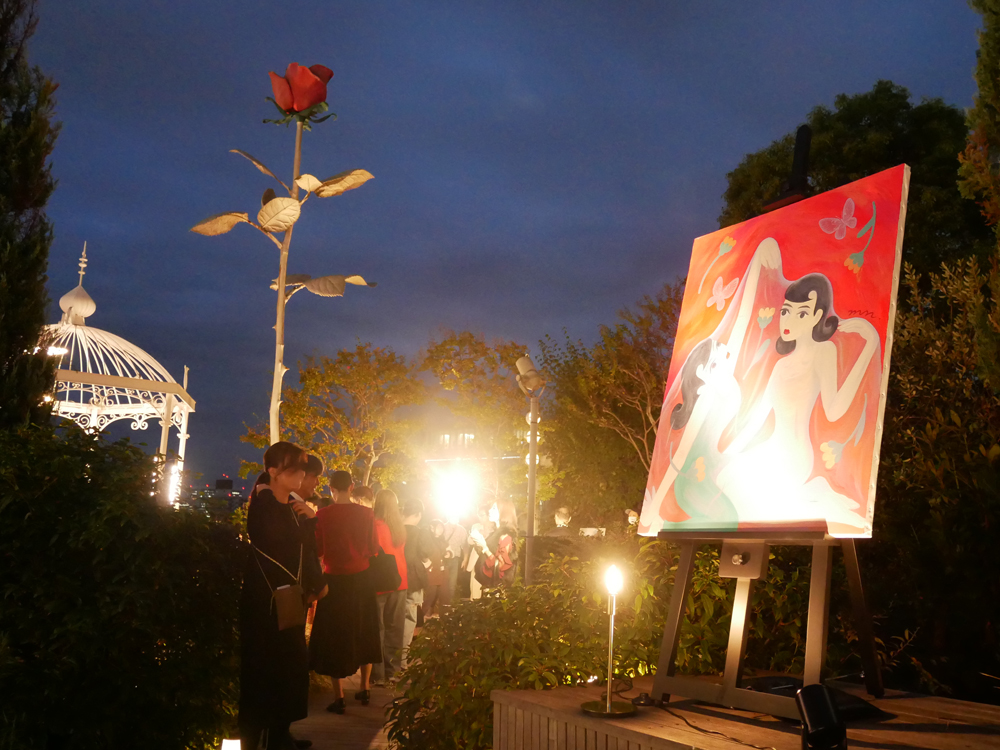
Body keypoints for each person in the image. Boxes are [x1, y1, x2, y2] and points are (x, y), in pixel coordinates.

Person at [239, 442, 325, 750]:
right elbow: (283, 545)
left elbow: (302, 550)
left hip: (286, 601)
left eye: (303, 469)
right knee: (263, 669)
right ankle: (256, 740)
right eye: (293, 469)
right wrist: (309, 521)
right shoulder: (266, 506)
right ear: (273, 472)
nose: (301, 475)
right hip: (266, 603)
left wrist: (307, 519)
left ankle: (279, 735)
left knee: (289, 669)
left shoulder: (287, 506)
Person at [309, 470, 382, 714]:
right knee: (365, 628)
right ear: (352, 487)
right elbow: (373, 548)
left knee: (334, 634)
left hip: (334, 581)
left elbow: (317, 550)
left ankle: (339, 696)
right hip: (362, 578)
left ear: (331, 488)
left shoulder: (322, 515)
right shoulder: (367, 514)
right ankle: (364, 688)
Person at [372, 489, 408, 685]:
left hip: (379, 582)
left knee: (378, 628)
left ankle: (377, 674)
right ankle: (393, 671)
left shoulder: (374, 526)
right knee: (395, 627)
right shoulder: (399, 528)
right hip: (400, 579)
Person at [401, 499, 433, 668]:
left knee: (392, 619)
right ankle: (402, 660)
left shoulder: (394, 529)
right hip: (413, 579)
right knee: (409, 618)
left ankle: (388, 661)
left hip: (393, 578)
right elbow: (425, 552)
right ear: (418, 514)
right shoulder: (420, 532)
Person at [470, 498, 519, 588]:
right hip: (489, 584)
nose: (489, 511)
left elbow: (500, 566)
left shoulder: (506, 535)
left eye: (493, 508)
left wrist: (484, 547)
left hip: (497, 588)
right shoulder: (496, 533)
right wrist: (479, 542)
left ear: (502, 512)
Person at [422, 520, 448, 617]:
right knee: (430, 594)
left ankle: (442, 616)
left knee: (441, 594)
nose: (441, 530)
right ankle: (421, 616)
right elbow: (423, 553)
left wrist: (448, 554)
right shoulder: (427, 539)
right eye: (439, 527)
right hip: (431, 571)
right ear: (432, 528)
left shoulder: (442, 540)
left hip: (441, 571)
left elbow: (449, 549)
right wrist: (428, 564)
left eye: (442, 528)